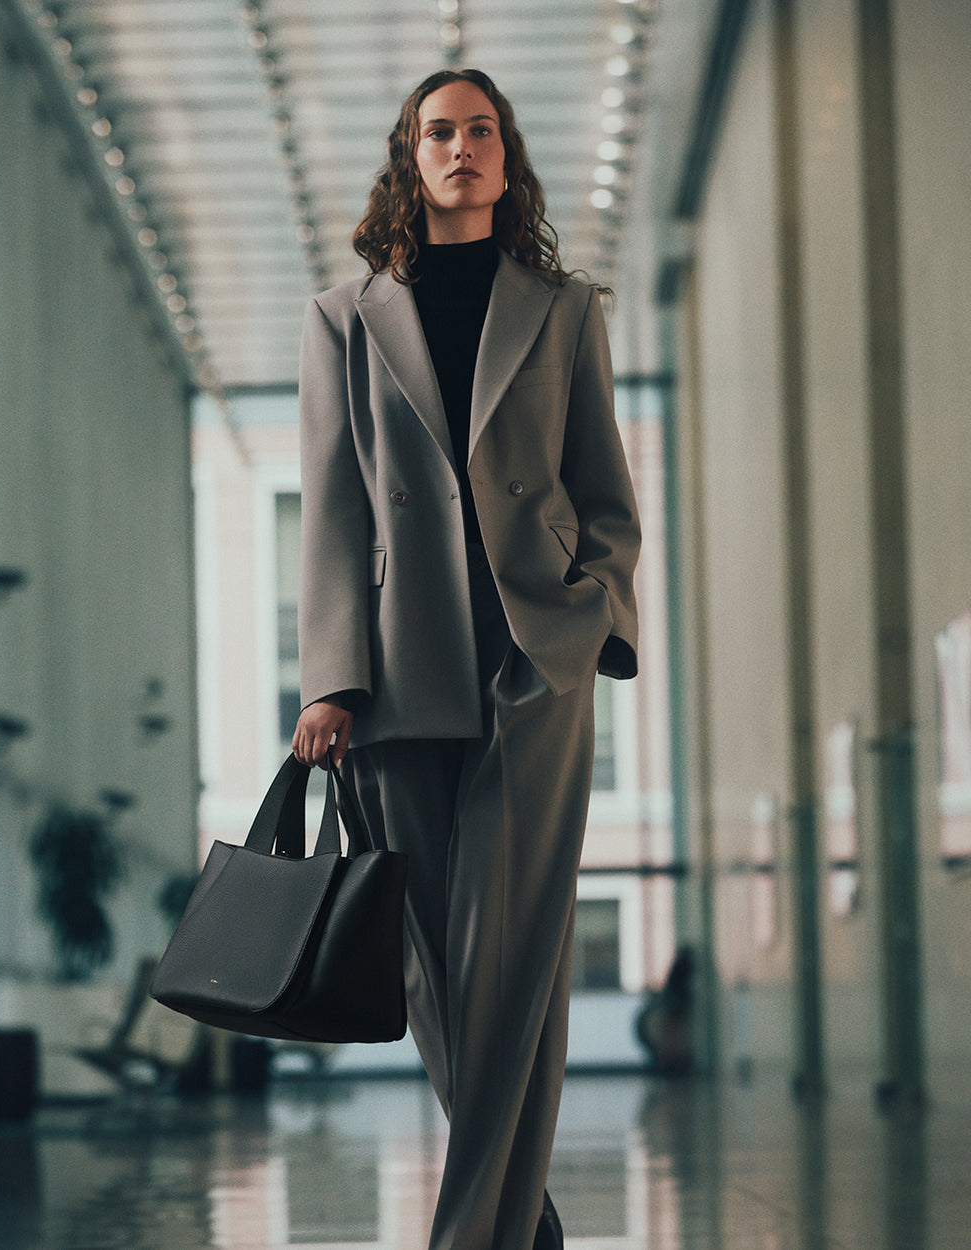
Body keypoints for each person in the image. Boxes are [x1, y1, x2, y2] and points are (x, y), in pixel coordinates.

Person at [292, 68, 641, 1250]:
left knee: (520, 951)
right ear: (411, 155)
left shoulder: (562, 308)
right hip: (399, 666)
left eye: (480, 130)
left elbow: (606, 491)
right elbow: (335, 508)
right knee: (441, 969)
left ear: (506, 156)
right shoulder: (346, 318)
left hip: (537, 661)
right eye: (438, 131)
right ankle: (524, 1222)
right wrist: (330, 679)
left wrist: (600, 614)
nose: (461, 147)